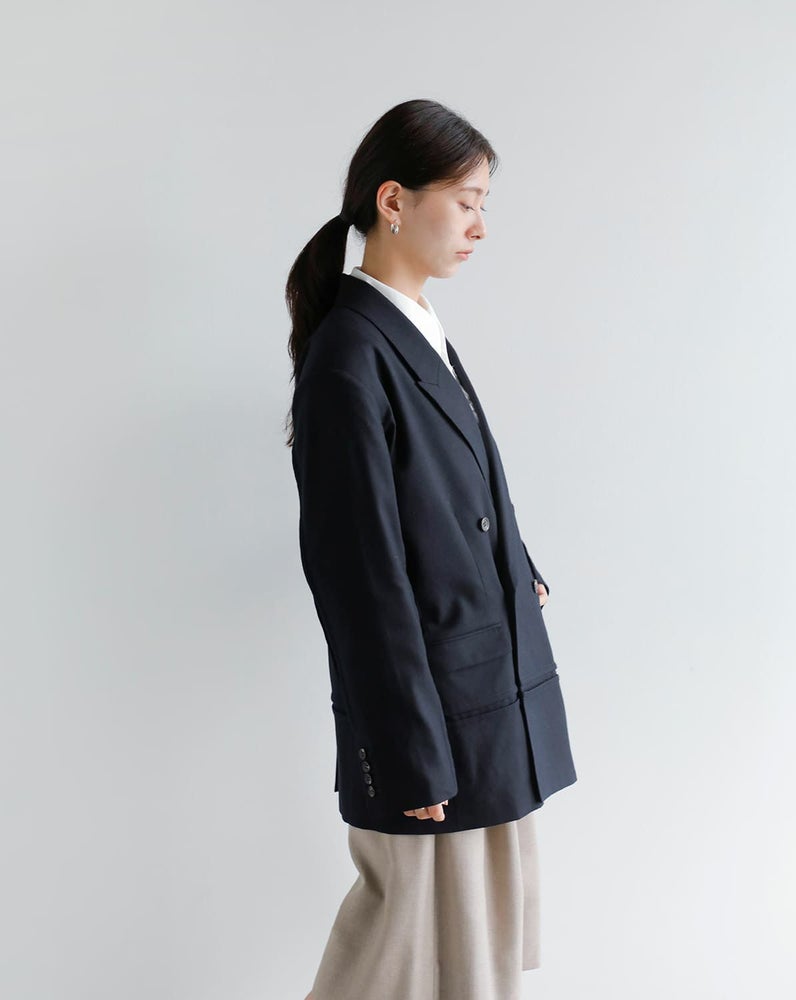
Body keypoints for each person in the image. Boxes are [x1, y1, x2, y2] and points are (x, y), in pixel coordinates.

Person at [284, 98, 577, 1000]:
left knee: (470, 959)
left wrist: (516, 571)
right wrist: (408, 750)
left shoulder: (412, 327)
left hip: (478, 697)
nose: (481, 227)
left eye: (484, 204)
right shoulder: (350, 356)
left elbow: (453, 495)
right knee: (401, 953)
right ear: (394, 201)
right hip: (434, 723)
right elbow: (358, 577)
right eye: (467, 201)